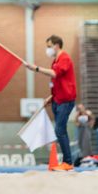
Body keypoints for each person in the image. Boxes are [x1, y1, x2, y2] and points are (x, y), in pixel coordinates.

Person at [26, 34, 77, 171]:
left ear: (56, 45)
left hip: (66, 101)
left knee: (59, 131)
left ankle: (68, 162)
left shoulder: (64, 58)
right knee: (60, 130)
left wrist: (36, 69)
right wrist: (51, 96)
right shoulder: (55, 61)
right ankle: (66, 161)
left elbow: (55, 74)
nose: (47, 49)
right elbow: (57, 82)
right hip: (57, 100)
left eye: (49, 46)